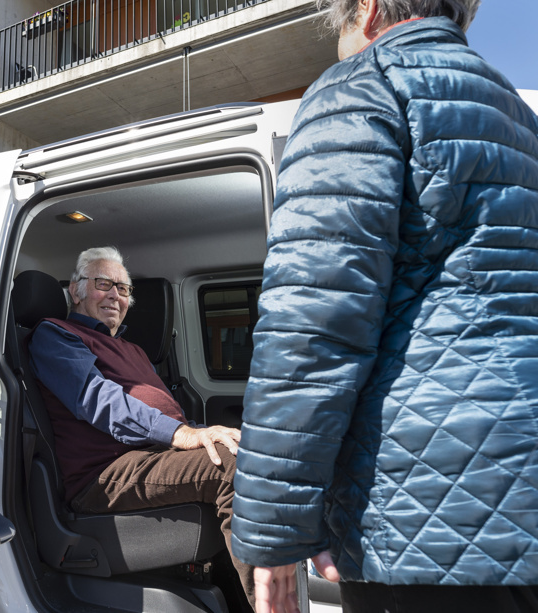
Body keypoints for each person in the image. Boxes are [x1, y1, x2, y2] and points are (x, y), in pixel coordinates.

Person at [230, 0, 538, 611]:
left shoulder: (363, 86)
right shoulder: (516, 116)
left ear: (367, 10)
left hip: (422, 503)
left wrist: (274, 530)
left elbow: (312, 325)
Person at [28, 246, 256, 610]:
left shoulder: (131, 349)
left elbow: (170, 414)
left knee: (242, 447)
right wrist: (182, 435)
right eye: (103, 284)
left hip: (151, 456)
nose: (115, 295)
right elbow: (99, 401)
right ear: (76, 290)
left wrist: (204, 431)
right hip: (104, 472)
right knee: (231, 466)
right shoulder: (56, 334)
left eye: (123, 289)